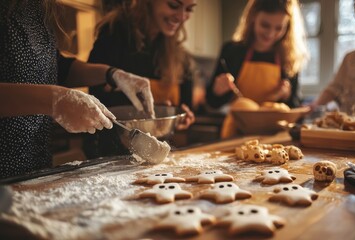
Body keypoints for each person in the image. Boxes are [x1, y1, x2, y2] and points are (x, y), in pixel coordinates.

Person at [0, 0, 154, 179]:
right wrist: (54, 100)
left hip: (32, 166)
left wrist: (112, 75)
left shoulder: (36, 7)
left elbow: (55, 66)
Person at [83, 0, 198, 157]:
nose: (182, 16)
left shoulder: (177, 53)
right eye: (173, 5)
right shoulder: (115, 34)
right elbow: (96, 99)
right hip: (113, 153)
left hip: (159, 152)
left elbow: (185, 104)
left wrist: (181, 117)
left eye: (189, 9)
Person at [205, 0, 309, 138]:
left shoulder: (289, 58)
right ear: (253, 18)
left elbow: (295, 107)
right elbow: (211, 103)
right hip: (236, 132)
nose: (271, 34)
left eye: (279, 28)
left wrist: (287, 95)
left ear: (288, 27)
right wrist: (217, 91)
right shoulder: (232, 51)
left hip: (274, 135)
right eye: (265, 25)